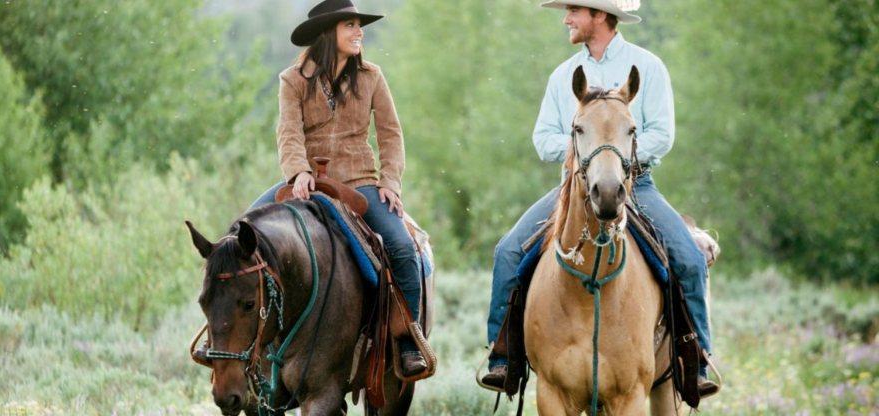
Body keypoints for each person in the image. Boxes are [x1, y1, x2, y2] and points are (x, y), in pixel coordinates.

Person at [481, 0, 718, 396]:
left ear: (600, 15)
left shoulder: (648, 67)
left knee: (689, 259)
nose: (566, 18)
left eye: (574, 10)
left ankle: (695, 361)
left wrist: (614, 158)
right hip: (573, 190)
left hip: (636, 186)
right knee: (507, 252)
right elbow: (543, 139)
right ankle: (504, 358)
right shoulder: (562, 77)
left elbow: (663, 133)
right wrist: (585, 153)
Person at [248, 0, 427, 376]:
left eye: (359, 25)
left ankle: (408, 343)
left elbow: (391, 135)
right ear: (329, 33)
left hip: (360, 182)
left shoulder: (372, 76)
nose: (359, 32)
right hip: (306, 183)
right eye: (350, 25)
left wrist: (390, 181)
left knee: (402, 247)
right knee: (242, 234)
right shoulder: (292, 80)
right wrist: (297, 172)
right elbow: (289, 133)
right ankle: (241, 350)